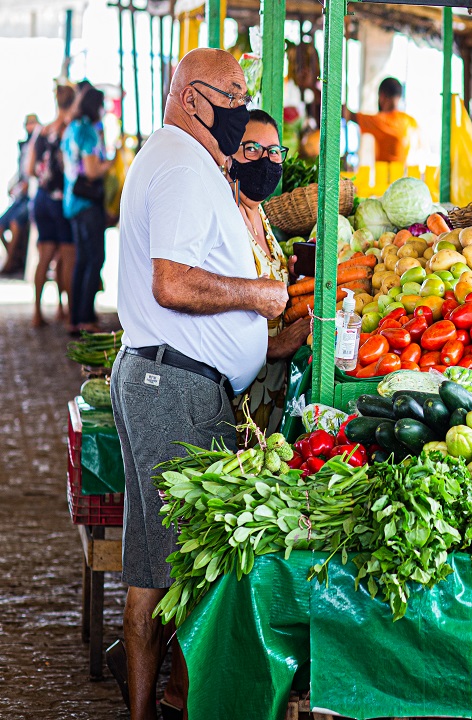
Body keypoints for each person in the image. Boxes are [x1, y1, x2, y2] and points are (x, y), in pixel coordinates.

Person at [108, 48, 287, 720]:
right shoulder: (182, 166)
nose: (244, 102)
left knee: (159, 559)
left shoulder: (188, 160)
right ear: (191, 95)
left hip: (171, 380)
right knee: (168, 565)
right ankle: (154, 706)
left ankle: (153, 701)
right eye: (235, 91)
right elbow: (173, 282)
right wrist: (261, 295)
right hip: (171, 385)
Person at [228, 109, 311, 433]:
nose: (266, 160)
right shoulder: (227, 215)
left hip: (270, 386)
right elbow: (215, 301)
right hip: (241, 393)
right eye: (252, 149)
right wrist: (274, 346)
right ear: (229, 153)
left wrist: (290, 278)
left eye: (274, 151)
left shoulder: (258, 211)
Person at [63, 86, 112, 333]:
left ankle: (77, 317)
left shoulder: (71, 128)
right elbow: (92, 170)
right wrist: (109, 164)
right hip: (88, 202)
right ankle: (85, 318)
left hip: (72, 202)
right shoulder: (89, 133)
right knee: (95, 259)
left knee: (82, 260)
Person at [28, 85, 77, 327]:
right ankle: (67, 311)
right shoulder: (70, 130)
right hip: (62, 201)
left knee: (45, 257)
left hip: (41, 199)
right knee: (68, 258)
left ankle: (37, 312)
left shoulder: (42, 130)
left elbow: (29, 170)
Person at [342, 77, 418, 164]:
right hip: (407, 175)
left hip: (387, 175)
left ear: (382, 96)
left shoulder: (381, 121)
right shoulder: (410, 120)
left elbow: (348, 114)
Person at [0, 114, 39, 276]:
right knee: (2, 224)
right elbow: (21, 171)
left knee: (16, 223)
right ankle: (13, 257)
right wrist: (14, 185)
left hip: (32, 197)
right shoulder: (23, 146)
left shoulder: (39, 143)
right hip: (20, 197)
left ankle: (10, 263)